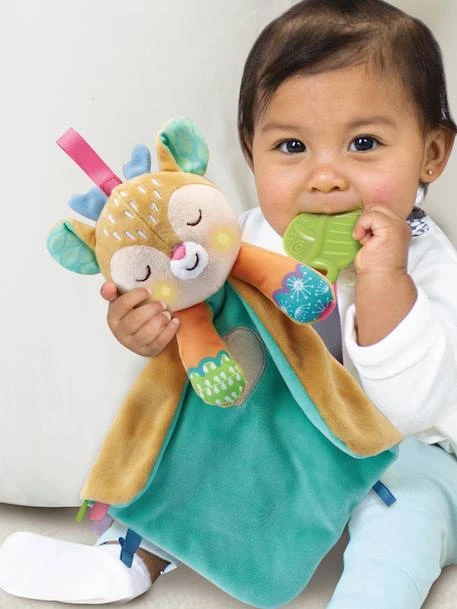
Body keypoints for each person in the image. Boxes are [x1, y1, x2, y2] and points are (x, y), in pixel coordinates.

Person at [1, 1, 456, 607]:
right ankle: (129, 553)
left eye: (363, 143)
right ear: (250, 151)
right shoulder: (232, 243)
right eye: (291, 146)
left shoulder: (427, 261)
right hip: (279, 439)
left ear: (431, 153)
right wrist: (146, 327)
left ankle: (375, 592)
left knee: (411, 514)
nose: (324, 177)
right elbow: (196, 337)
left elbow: (411, 407)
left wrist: (384, 279)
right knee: (196, 451)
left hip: (398, 454)